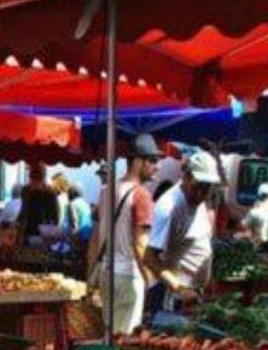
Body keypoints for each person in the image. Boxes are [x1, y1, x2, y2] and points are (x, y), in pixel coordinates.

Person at [87, 134, 159, 334]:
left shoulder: (106, 190)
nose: (157, 166)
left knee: (107, 335)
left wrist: (90, 277)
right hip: (128, 276)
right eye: (152, 160)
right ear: (137, 161)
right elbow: (140, 244)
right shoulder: (141, 195)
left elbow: (94, 239)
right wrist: (151, 282)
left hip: (105, 274)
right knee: (123, 341)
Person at [145, 151, 221, 308]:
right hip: (173, 295)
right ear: (186, 177)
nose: (202, 194)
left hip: (193, 291)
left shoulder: (198, 200)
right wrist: (179, 289)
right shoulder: (169, 208)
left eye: (207, 188)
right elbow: (149, 257)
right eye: (198, 187)